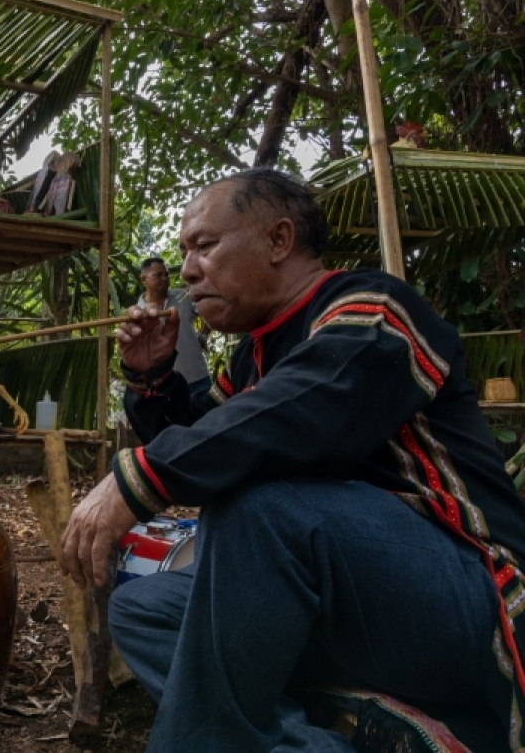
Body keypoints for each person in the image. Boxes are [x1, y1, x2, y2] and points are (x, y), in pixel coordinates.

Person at [59, 168, 522, 751]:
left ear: (279, 240)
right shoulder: (254, 355)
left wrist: (134, 482)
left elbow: (299, 411)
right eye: (183, 252)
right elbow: (208, 434)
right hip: (351, 603)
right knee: (145, 608)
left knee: (259, 507)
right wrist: (154, 376)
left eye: (204, 245)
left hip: (467, 597)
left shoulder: (372, 308)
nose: (186, 269)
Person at [136, 257, 212, 396]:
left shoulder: (184, 297)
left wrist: (204, 335)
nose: (164, 278)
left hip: (197, 377)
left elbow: (210, 311)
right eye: (158, 275)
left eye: (166, 274)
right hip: (164, 385)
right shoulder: (137, 312)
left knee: (210, 417)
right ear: (144, 279)